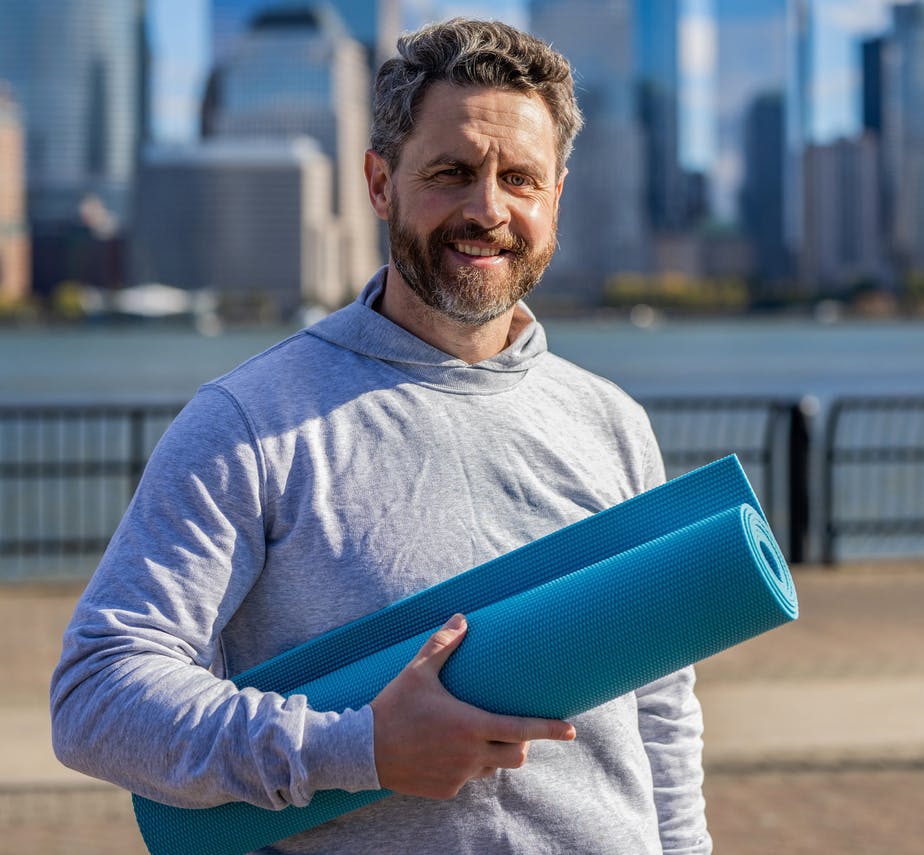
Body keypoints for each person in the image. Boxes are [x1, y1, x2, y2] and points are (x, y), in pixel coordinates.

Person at [51, 18, 710, 855]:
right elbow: (97, 694)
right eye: (451, 172)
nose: (488, 209)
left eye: (520, 178)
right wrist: (354, 748)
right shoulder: (249, 422)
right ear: (379, 182)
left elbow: (661, 709)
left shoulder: (611, 421)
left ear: (555, 197)